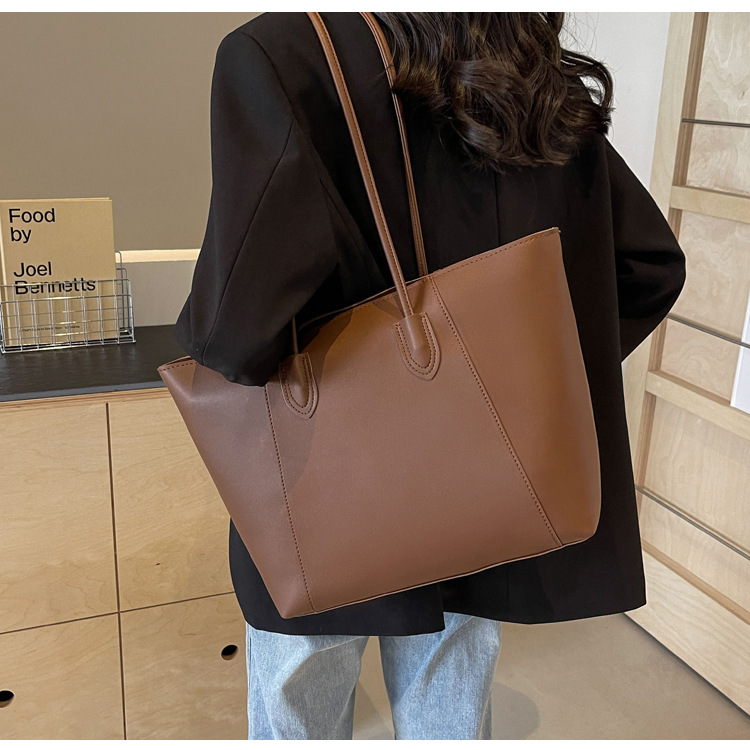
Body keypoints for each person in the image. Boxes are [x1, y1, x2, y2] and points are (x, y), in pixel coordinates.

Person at [173, 12, 686, 740]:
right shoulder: (523, 60)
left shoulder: (282, 54)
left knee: (301, 704)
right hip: (486, 489)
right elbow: (646, 266)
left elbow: (238, 330)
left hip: (325, 495)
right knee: (450, 702)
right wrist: (530, 386)